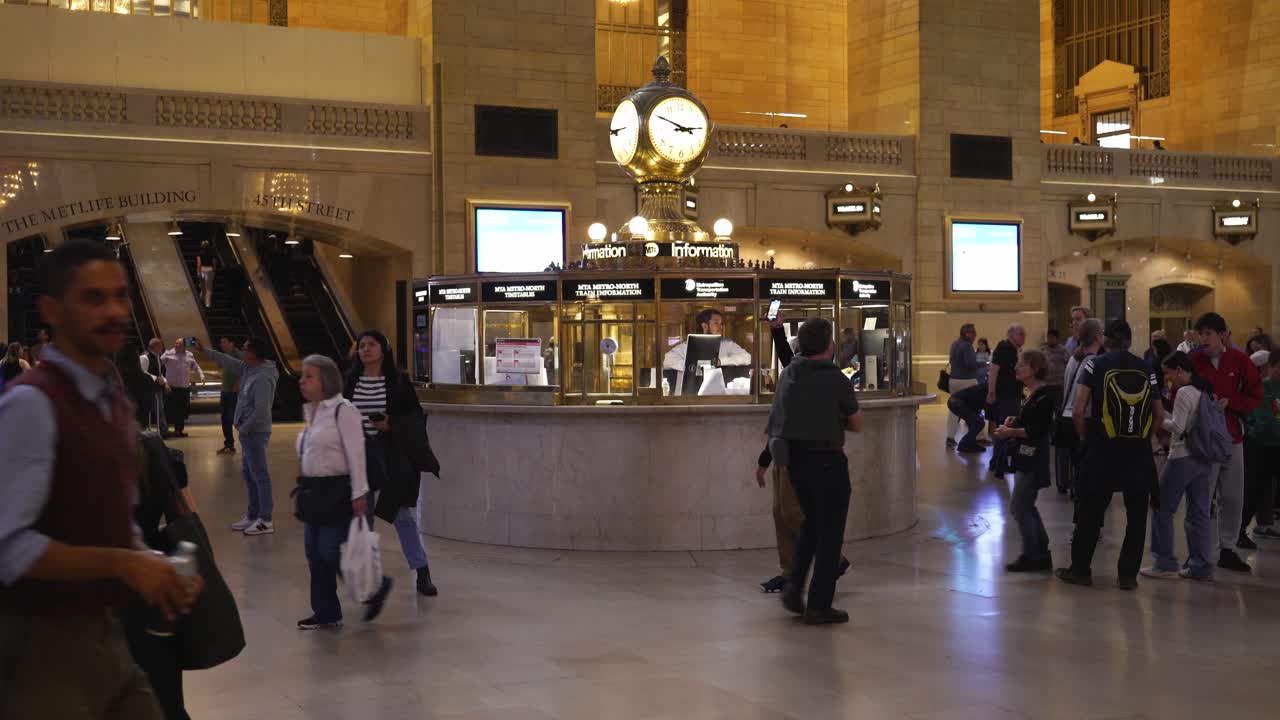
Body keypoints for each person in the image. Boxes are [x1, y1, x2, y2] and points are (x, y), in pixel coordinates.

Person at [0, 240, 201, 719]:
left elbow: (110, 514)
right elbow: (8, 548)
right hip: (40, 648)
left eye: (120, 296)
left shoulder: (110, 398)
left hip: (108, 634)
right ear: (52, 309)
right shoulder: (32, 403)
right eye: (93, 298)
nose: (113, 311)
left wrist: (150, 562)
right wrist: (123, 564)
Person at [765, 317, 864, 626]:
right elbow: (856, 422)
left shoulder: (789, 373)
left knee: (810, 525)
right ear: (829, 346)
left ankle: (793, 588)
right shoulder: (836, 379)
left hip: (795, 462)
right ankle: (819, 605)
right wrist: (833, 419)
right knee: (830, 534)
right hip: (827, 461)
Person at [1057, 320, 1164, 590]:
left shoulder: (1095, 365)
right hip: (1138, 452)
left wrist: (1086, 438)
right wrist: (1145, 437)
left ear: (1105, 339)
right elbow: (1159, 413)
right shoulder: (1146, 367)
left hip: (1102, 448)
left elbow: (1078, 410)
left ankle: (1080, 570)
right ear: (1129, 340)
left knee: (1091, 511)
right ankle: (1127, 576)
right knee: (1137, 516)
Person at [755, 311, 849, 593]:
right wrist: (765, 459)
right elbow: (779, 421)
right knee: (780, 514)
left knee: (794, 514)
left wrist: (777, 331)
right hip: (783, 454)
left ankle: (833, 560)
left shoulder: (821, 376)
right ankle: (789, 571)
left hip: (800, 458)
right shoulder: (796, 372)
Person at [295, 354, 392, 629]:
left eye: (309, 376)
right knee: (314, 552)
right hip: (313, 491)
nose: (302, 381)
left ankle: (376, 588)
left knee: (330, 549)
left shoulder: (343, 410)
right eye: (302, 375)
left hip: (338, 491)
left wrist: (359, 493)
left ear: (326, 380)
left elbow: (356, 453)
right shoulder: (312, 411)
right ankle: (326, 612)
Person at [344, 330, 441, 597]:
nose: (365, 349)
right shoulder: (351, 380)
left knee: (402, 515)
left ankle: (422, 570)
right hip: (358, 455)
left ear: (383, 349)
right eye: (361, 345)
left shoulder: (398, 381)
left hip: (388, 455)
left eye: (371, 344)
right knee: (362, 517)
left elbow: (416, 417)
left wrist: (391, 424)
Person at [1189, 312, 1263, 571]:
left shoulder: (1239, 360)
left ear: (1222, 335)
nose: (1203, 339)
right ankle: (1197, 552)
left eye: (1208, 333)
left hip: (1232, 437)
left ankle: (1228, 548)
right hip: (1203, 441)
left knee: (1232, 496)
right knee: (1201, 497)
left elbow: (1255, 395)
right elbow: (1179, 391)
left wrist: (1232, 402)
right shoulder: (1194, 360)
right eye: (1200, 334)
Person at [1141, 351, 1219, 581]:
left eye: (1169, 374)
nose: (1167, 379)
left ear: (1180, 370)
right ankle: (1201, 565)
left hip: (1182, 456)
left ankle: (1164, 562)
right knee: (1199, 513)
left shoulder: (1185, 392)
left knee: (1161, 506)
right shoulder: (1204, 390)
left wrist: (1158, 417)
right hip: (1203, 457)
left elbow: (1178, 427)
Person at [198, 336, 279, 536]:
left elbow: (262, 411)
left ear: (254, 353)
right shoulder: (248, 368)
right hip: (247, 432)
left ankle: (265, 519)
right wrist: (204, 350)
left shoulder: (263, 376)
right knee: (250, 475)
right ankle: (253, 515)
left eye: (245, 348)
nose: (242, 351)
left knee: (260, 475)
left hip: (255, 433)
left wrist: (245, 428)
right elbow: (228, 361)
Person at [994, 350, 1057, 572]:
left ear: (1035, 368)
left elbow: (1037, 430)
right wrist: (1016, 420)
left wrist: (1010, 432)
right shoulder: (1032, 394)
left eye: (1022, 364)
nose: (1017, 368)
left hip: (1033, 457)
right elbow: (1031, 421)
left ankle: (1033, 555)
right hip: (1026, 455)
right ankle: (1040, 551)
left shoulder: (1044, 396)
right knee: (1025, 505)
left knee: (1019, 507)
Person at [1056, 319, 1103, 497]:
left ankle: (1075, 492)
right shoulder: (1093, 362)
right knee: (1084, 468)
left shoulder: (1073, 359)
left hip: (1067, 417)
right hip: (1081, 418)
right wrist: (1083, 433)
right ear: (1097, 337)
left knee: (1076, 464)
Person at [1241, 351, 1280, 542]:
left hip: (1275, 446)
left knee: (1266, 489)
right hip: (1259, 446)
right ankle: (1239, 531)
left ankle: (1264, 524)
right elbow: (1265, 422)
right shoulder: (1262, 388)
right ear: (1269, 367)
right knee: (1253, 490)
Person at [986, 323, 1027, 476]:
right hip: (1006, 396)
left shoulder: (1013, 349)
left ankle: (996, 462)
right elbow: (993, 370)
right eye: (1020, 334)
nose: (1023, 337)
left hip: (1012, 395)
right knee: (1006, 428)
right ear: (1011, 335)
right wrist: (991, 392)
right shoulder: (1004, 348)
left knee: (1003, 428)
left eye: (1024, 334)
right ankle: (1000, 465)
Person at [662, 308, 752, 372]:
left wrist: (721, 361)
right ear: (704, 326)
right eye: (716, 323)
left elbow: (747, 357)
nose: (720, 327)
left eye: (721, 323)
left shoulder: (726, 343)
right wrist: (693, 366)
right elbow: (667, 360)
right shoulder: (689, 344)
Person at [159, 339, 203, 438]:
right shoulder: (168, 354)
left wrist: (201, 374)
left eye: (179, 344)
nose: (176, 345)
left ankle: (179, 430)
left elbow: (195, 366)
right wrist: (164, 381)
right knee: (170, 409)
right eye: (176, 343)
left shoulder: (189, 355)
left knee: (182, 410)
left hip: (185, 388)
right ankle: (166, 430)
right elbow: (158, 366)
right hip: (172, 387)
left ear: (184, 346)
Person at [946, 323, 980, 448]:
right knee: (975, 408)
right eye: (973, 333)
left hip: (953, 380)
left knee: (954, 409)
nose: (975, 335)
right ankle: (978, 436)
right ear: (967, 333)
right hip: (967, 381)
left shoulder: (954, 344)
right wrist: (982, 364)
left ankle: (950, 437)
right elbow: (970, 364)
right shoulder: (967, 346)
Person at [214, 336, 242, 455]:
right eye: (221, 342)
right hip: (225, 390)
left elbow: (243, 370)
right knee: (225, 418)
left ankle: (244, 442)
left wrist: (238, 384)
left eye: (224, 342)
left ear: (232, 343)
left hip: (233, 392)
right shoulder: (225, 356)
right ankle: (229, 444)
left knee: (232, 418)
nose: (222, 345)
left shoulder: (238, 355)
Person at [139, 338, 170, 435]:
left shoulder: (157, 357)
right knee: (150, 409)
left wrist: (165, 382)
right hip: (147, 388)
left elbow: (160, 373)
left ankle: (163, 430)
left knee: (159, 409)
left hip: (156, 387)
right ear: (155, 346)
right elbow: (142, 372)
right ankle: (159, 430)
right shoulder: (145, 357)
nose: (162, 348)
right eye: (160, 345)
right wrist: (156, 378)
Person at [948, 381, 988, 454]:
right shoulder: (990, 390)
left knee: (974, 422)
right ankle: (964, 444)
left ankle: (971, 444)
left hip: (957, 401)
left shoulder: (986, 386)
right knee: (979, 423)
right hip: (957, 402)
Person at [196, 240, 216, 309]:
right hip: (210, 269)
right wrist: (214, 272)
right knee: (209, 288)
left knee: (202, 287)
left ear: (202, 246)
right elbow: (214, 264)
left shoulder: (199, 253)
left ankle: (201, 300)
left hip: (202, 269)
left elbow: (199, 264)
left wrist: (198, 272)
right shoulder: (212, 254)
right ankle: (207, 303)